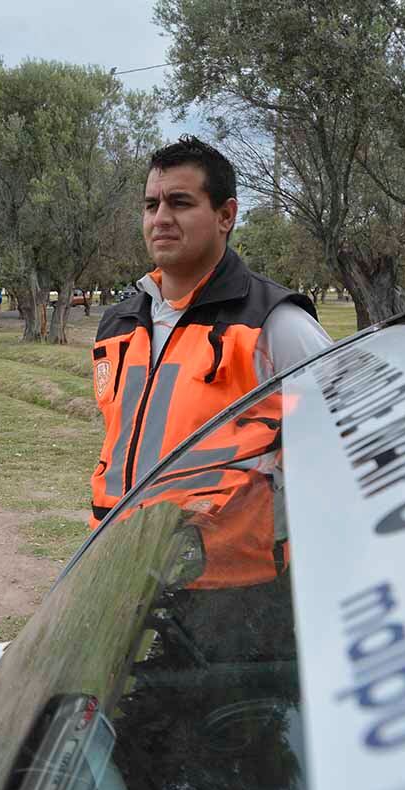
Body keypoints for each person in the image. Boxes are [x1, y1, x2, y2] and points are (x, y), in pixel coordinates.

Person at [90, 136, 332, 528]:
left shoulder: (274, 324)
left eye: (180, 202)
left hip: (232, 583)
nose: (161, 218)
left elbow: (348, 438)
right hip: (122, 570)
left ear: (226, 215)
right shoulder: (118, 326)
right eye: (151, 205)